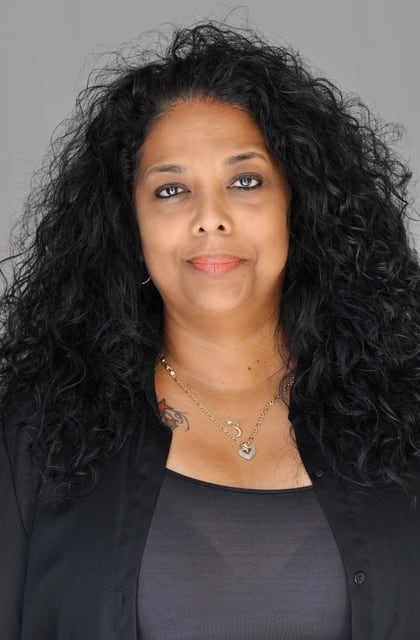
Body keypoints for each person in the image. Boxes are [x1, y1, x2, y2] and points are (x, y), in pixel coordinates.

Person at [1, 20, 419, 640]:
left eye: (245, 181)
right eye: (171, 190)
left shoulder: (405, 420)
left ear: (298, 204)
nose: (210, 218)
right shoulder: (35, 439)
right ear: (127, 226)